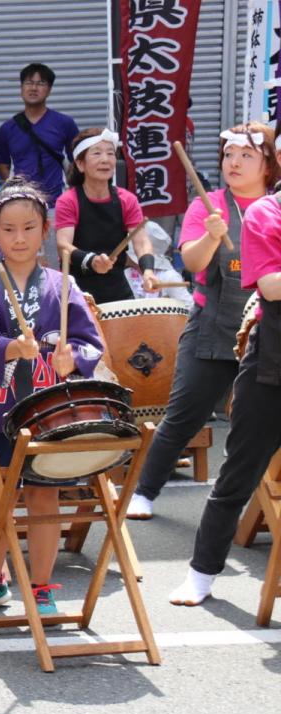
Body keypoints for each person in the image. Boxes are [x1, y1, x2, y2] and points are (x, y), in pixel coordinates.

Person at [0, 179, 106, 617]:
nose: (19, 238)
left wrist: (71, 359)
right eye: (8, 229)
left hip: (50, 406)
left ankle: (41, 587)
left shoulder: (64, 285)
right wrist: (10, 348)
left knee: (43, 495)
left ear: (44, 230)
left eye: (28, 228)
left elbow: (89, 342)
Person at [127, 123, 279, 521]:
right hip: (214, 328)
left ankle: (251, 502)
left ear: (268, 164)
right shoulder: (208, 204)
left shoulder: (275, 208)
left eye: (247, 155)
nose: (234, 162)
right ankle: (144, 490)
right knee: (182, 417)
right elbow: (192, 264)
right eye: (229, 154)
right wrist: (212, 236)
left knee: (253, 426)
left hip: (267, 335)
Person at [165, 152, 281, 607]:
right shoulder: (265, 213)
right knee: (237, 475)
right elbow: (270, 285)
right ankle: (202, 574)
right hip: (272, 364)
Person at [55, 128, 156, 304]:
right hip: (77, 293)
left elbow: (141, 241)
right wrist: (92, 260)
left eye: (110, 153)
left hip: (117, 290)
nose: (105, 159)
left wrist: (147, 270)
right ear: (80, 164)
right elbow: (63, 246)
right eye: (97, 153)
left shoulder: (127, 200)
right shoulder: (68, 200)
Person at [0, 63, 80, 267]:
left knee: (55, 262)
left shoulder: (64, 123)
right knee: (23, 259)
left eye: (40, 83)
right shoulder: (8, 128)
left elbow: (77, 160)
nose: (34, 88)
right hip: (21, 205)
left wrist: (71, 191)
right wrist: (15, 187)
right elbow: (2, 164)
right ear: (21, 88)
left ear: (49, 89)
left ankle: (57, 299)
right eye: (29, 83)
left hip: (55, 205)